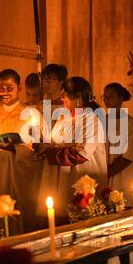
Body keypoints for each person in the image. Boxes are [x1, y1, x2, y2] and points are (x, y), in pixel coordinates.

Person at [0, 69, 47, 234]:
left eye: (9, 87)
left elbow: (38, 150)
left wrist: (12, 148)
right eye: (1, 87)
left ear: (19, 87)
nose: (5, 92)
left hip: (18, 176)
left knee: (16, 219)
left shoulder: (31, 114)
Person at [35, 77, 107, 224]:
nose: (61, 98)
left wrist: (48, 153)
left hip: (78, 181)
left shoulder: (91, 120)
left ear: (78, 98)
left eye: (65, 94)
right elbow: (53, 142)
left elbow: (81, 153)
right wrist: (40, 139)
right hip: (58, 182)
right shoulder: (63, 118)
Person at [102, 83, 133, 203]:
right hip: (104, 172)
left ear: (120, 98)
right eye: (105, 97)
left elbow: (128, 155)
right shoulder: (103, 121)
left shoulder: (130, 123)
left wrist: (108, 172)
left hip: (122, 175)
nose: (107, 101)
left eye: (111, 97)